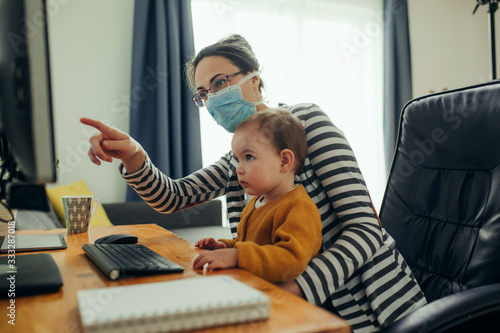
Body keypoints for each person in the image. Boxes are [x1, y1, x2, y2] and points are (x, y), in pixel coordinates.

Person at [81, 34, 426, 332]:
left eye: (219, 83)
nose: (212, 98)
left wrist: (298, 288)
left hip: (372, 304)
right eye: (203, 93)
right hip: (297, 302)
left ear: (254, 80)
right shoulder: (239, 157)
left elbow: (365, 228)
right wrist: (133, 155)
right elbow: (173, 197)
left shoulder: (307, 122)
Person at [193, 108, 323, 282]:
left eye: (249, 157)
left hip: (286, 304)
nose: (238, 168)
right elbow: (248, 243)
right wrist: (224, 246)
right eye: (238, 159)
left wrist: (237, 256)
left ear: (284, 161)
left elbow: (291, 260)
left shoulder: (298, 207)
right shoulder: (256, 202)